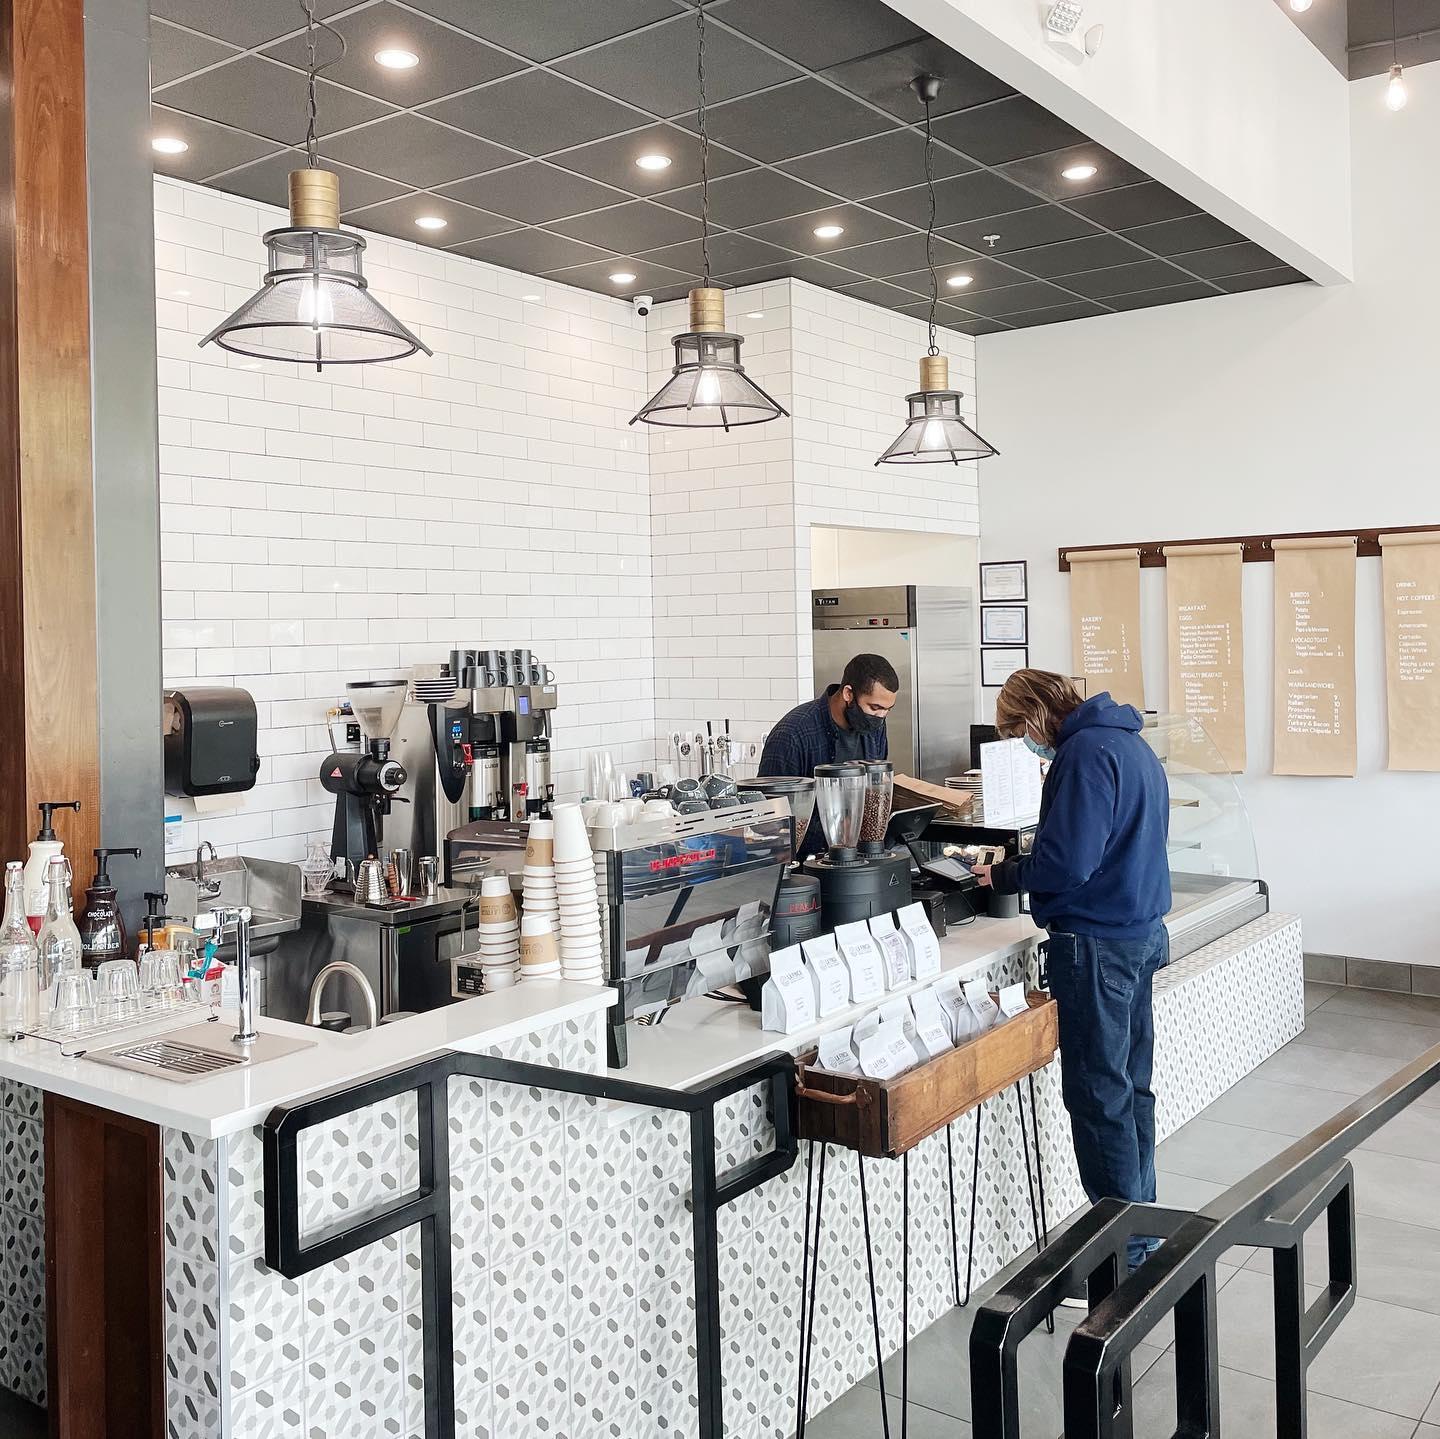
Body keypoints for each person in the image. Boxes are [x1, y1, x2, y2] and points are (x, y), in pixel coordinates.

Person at [971, 670, 1170, 1273]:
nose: (1025, 746)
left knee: (1098, 1096)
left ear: (1032, 717)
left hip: (1096, 945)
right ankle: (1142, 1231)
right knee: (1130, 1087)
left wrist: (1003, 874)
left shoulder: (1084, 753)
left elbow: (1069, 863)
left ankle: (1121, 1255)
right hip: (1139, 934)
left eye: (1017, 733)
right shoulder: (1129, 741)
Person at [757, 653, 900, 856]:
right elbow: (770, 819)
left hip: (859, 856)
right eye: (875, 707)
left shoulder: (874, 728)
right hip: (806, 861)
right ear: (848, 694)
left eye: (887, 710)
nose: (881, 716)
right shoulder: (792, 734)